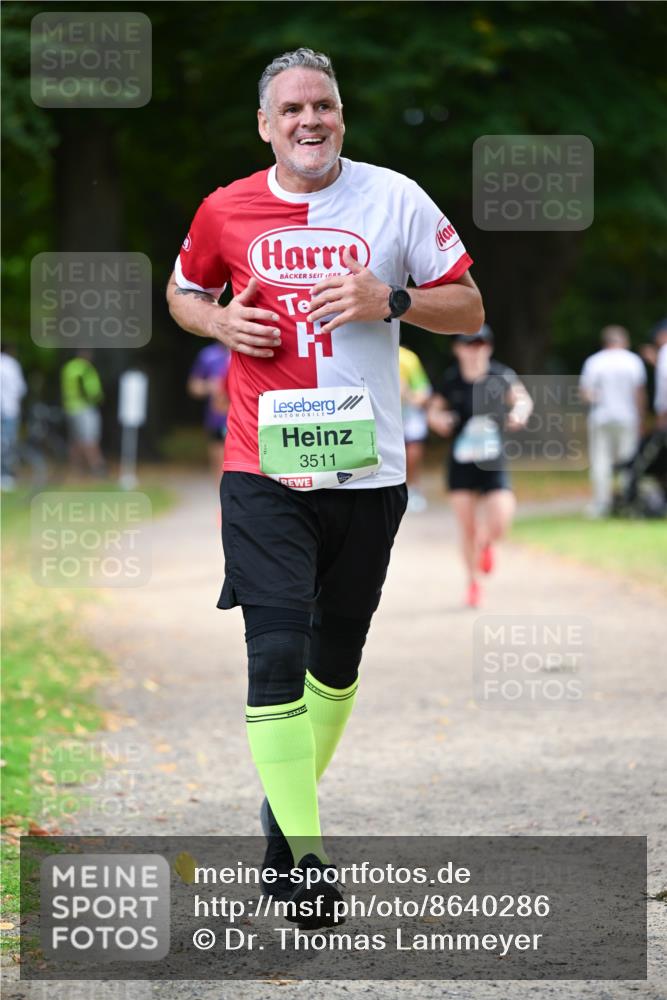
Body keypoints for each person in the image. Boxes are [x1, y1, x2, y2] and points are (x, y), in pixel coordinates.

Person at [166, 47, 483, 924]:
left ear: (341, 116)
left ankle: (280, 831)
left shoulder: (396, 198)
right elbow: (184, 291)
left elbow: (469, 305)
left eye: (325, 106)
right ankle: (305, 863)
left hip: (367, 472)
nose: (311, 120)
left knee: (333, 665)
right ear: (265, 126)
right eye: (293, 109)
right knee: (274, 653)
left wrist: (394, 300)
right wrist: (218, 322)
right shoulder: (224, 208)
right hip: (261, 468)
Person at [428, 325, 532, 608]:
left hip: (492, 460)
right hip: (461, 462)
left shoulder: (500, 375)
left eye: (481, 344)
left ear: (489, 347)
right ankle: (473, 582)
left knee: (500, 519)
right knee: (467, 527)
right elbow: (433, 410)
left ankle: (487, 543)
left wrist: (519, 413)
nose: (475, 350)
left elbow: (523, 400)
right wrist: (439, 420)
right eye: (469, 344)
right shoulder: (451, 380)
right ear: (457, 349)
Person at [579, 326, 646, 518]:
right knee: (629, 460)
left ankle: (602, 503)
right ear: (624, 341)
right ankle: (628, 499)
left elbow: (585, 394)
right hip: (627, 417)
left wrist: (598, 397)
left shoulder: (594, 361)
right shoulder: (632, 361)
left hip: (601, 417)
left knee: (600, 461)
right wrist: (641, 418)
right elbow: (639, 393)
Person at [187, 341, 231, 475]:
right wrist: (209, 386)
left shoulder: (247, 351)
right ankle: (220, 489)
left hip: (244, 418)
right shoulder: (208, 355)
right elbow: (193, 386)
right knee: (219, 463)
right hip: (217, 419)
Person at [60, 349, 105, 475]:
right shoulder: (84, 368)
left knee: (76, 439)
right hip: (84, 407)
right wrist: (98, 398)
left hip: (71, 408)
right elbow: (90, 390)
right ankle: (97, 467)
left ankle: (76, 468)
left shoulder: (69, 367)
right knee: (89, 438)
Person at [399, 344, 432, 512]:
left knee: (413, 452)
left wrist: (407, 395)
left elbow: (423, 391)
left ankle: (413, 489)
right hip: (382, 413)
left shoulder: (408, 357)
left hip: (408, 412)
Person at [0, 342, 27, 491]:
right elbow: (21, 389)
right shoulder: (11, 364)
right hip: (10, 409)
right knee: (8, 443)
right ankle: (5, 475)